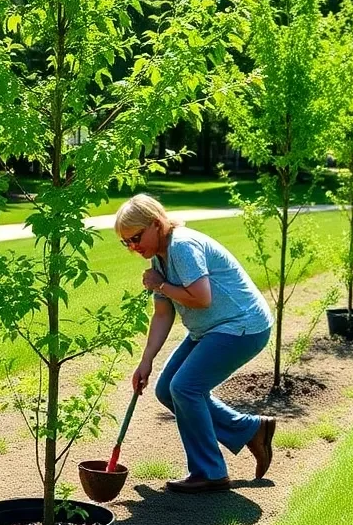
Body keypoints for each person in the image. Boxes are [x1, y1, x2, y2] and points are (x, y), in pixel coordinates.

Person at [117, 194, 276, 493]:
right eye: (127, 242)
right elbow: (163, 313)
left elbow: (202, 298)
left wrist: (160, 284)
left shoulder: (182, 246)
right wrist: (146, 360)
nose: (133, 246)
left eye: (136, 238)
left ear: (156, 224)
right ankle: (250, 429)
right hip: (211, 329)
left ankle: (210, 472)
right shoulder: (158, 257)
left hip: (242, 326)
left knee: (186, 387)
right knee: (167, 390)